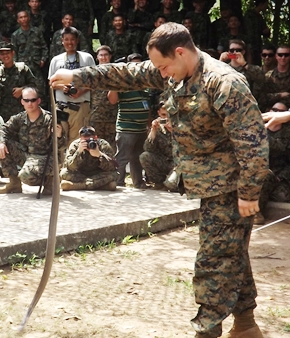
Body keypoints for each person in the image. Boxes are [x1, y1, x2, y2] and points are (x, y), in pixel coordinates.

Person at [50, 22, 269, 338]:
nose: (160, 73)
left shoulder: (224, 84)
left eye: (164, 66)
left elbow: (253, 142)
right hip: (208, 184)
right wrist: (78, 76)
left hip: (231, 187)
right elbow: (128, 74)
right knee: (230, 252)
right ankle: (246, 325)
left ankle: (207, 332)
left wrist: (249, 194)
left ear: (180, 52)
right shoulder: (175, 71)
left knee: (213, 260)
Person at [0, 87, 66, 195]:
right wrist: (0, 143)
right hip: (26, 155)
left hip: (44, 158)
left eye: (33, 100)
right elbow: (3, 129)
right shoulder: (19, 118)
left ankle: (50, 181)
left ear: (38, 101)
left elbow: (62, 147)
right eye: (26, 100)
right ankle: (14, 184)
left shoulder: (50, 119)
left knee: (26, 176)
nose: (29, 103)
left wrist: (59, 136)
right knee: (1, 144)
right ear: (22, 101)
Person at [107, 53, 150, 189]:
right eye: (133, 64)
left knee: (137, 158)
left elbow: (146, 105)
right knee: (122, 157)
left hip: (141, 128)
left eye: (139, 64)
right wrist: (115, 81)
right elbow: (112, 100)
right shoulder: (123, 82)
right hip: (126, 127)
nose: (136, 66)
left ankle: (138, 183)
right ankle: (117, 183)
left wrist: (148, 123)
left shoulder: (145, 83)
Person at [48, 26, 95, 144]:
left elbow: (94, 80)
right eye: (67, 39)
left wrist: (81, 90)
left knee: (79, 141)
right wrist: (61, 87)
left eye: (72, 39)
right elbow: (51, 82)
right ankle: (62, 163)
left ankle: (76, 163)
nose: (70, 42)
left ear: (77, 40)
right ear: (62, 41)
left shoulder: (87, 57)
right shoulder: (56, 60)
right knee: (60, 141)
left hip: (80, 107)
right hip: (62, 107)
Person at [255, 102, 290, 224]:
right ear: (269, 111)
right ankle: (256, 214)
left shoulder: (287, 134)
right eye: (275, 109)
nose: (277, 113)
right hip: (257, 174)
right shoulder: (257, 130)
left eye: (282, 112)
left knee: (282, 196)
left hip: (279, 177)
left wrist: (281, 177)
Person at [60, 126, 118, 191]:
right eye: (85, 141)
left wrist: (99, 155)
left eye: (90, 140)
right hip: (80, 174)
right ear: (80, 139)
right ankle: (101, 186)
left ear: (96, 138)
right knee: (64, 173)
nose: (87, 143)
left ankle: (78, 186)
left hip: (98, 174)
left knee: (114, 174)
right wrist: (79, 152)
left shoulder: (103, 144)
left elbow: (113, 167)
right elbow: (70, 167)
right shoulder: (75, 145)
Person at [0, 42, 36, 122]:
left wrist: (22, 90)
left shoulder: (22, 69)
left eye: (7, 53)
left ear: (13, 53)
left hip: (22, 112)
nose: (5, 56)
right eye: (2, 54)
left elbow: (34, 86)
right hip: (3, 114)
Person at [139, 101, 175, 190]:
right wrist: (153, 131)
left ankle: (172, 184)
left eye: (169, 115)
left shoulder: (181, 125)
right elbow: (147, 148)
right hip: (163, 161)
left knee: (172, 186)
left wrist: (173, 131)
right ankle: (159, 183)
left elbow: (188, 147)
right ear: (158, 113)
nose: (166, 118)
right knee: (144, 156)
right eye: (163, 115)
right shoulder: (157, 126)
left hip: (177, 163)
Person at [89, 45, 117, 148]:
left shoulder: (115, 72)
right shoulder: (92, 72)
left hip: (112, 115)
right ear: (97, 57)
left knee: (111, 147)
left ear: (110, 56)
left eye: (106, 55)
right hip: (96, 115)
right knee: (95, 145)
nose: (104, 57)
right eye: (101, 55)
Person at [263, 44, 290, 110]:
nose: (283, 57)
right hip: (271, 110)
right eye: (280, 55)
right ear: (276, 56)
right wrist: (281, 95)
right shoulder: (268, 76)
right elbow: (263, 98)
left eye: (286, 55)